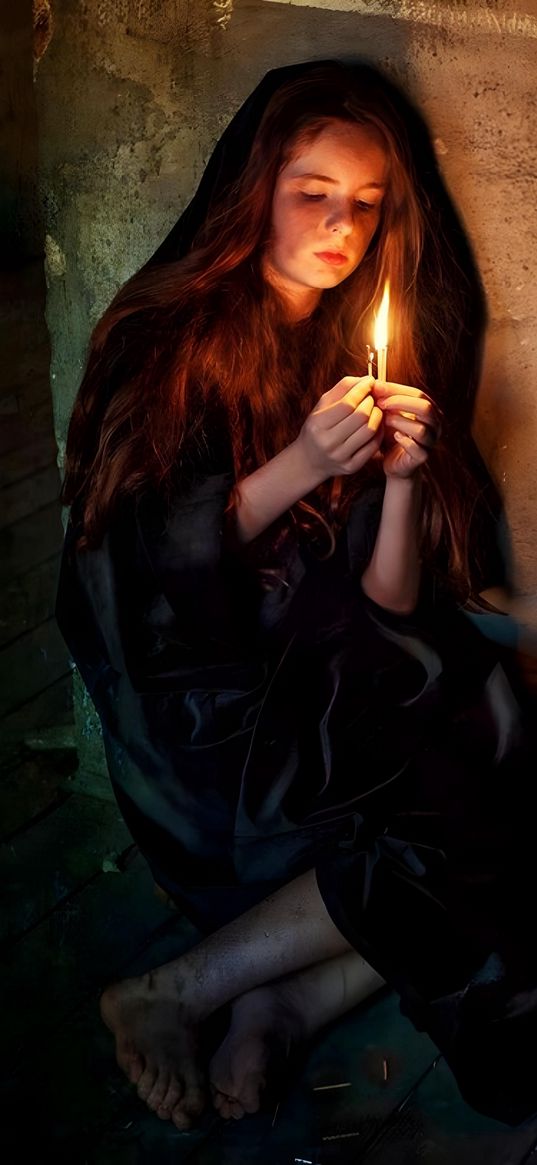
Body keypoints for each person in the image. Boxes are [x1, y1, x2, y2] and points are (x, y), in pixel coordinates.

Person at [56, 60, 537, 1132]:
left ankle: (282, 993)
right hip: (215, 715)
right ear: (256, 190)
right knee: (452, 798)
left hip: (335, 665)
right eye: (312, 191)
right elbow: (133, 576)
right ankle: (166, 988)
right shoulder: (169, 337)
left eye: (366, 204)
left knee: (499, 739)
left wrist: (406, 482)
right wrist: (300, 468)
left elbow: (388, 594)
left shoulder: (358, 338)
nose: (340, 224)